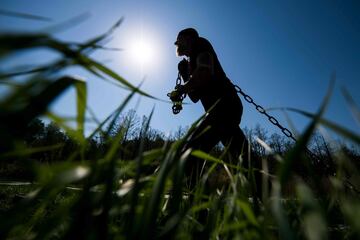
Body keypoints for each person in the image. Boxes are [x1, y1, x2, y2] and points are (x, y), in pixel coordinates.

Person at [170, 28, 250, 189]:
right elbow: (195, 97)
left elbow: (205, 72)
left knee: (189, 156)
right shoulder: (193, 60)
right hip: (223, 110)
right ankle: (271, 202)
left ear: (189, 38)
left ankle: (200, 208)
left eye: (179, 40)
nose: (177, 44)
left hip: (223, 108)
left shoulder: (200, 44)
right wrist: (186, 74)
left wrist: (182, 89)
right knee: (244, 160)